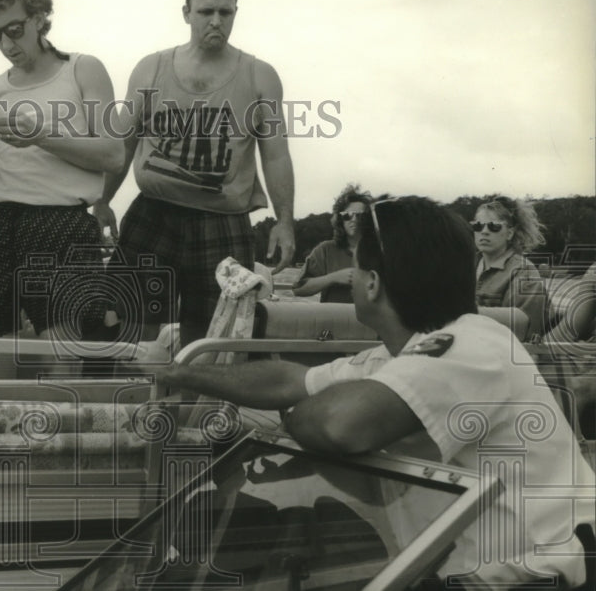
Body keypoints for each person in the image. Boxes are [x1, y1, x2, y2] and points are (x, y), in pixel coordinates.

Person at [147, 196, 594, 588]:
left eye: (357, 268)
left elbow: (339, 425)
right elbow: (288, 380)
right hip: (458, 566)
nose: (353, 278)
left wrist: (294, 415)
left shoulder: (475, 346)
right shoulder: (397, 355)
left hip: (535, 576)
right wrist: (184, 374)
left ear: (374, 283)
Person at [0, 0, 123, 378]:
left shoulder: (83, 69)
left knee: (53, 359)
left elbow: (113, 155)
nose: (6, 43)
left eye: (15, 29)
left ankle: (52, 441)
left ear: (41, 17)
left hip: (61, 222)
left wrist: (38, 133)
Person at [97, 0, 295, 347]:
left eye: (226, 11)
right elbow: (123, 144)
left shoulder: (259, 76)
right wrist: (102, 199)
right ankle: (139, 402)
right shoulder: (151, 68)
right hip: (154, 213)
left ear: (236, 13)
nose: (217, 21)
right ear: (187, 13)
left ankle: (195, 408)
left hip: (223, 222)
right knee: (131, 327)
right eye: (206, 11)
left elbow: (276, 155)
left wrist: (285, 221)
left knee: (211, 337)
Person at [472, 195, 548, 339]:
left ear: (510, 233)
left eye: (494, 226)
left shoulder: (524, 272)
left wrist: (463, 312)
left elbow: (527, 327)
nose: (484, 231)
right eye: (478, 225)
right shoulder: (465, 265)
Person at [292, 184, 371, 303]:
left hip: (370, 320)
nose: (354, 219)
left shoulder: (382, 250)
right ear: (340, 219)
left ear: (369, 219)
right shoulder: (325, 250)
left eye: (360, 215)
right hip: (334, 320)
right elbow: (298, 288)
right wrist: (334, 278)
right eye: (347, 215)